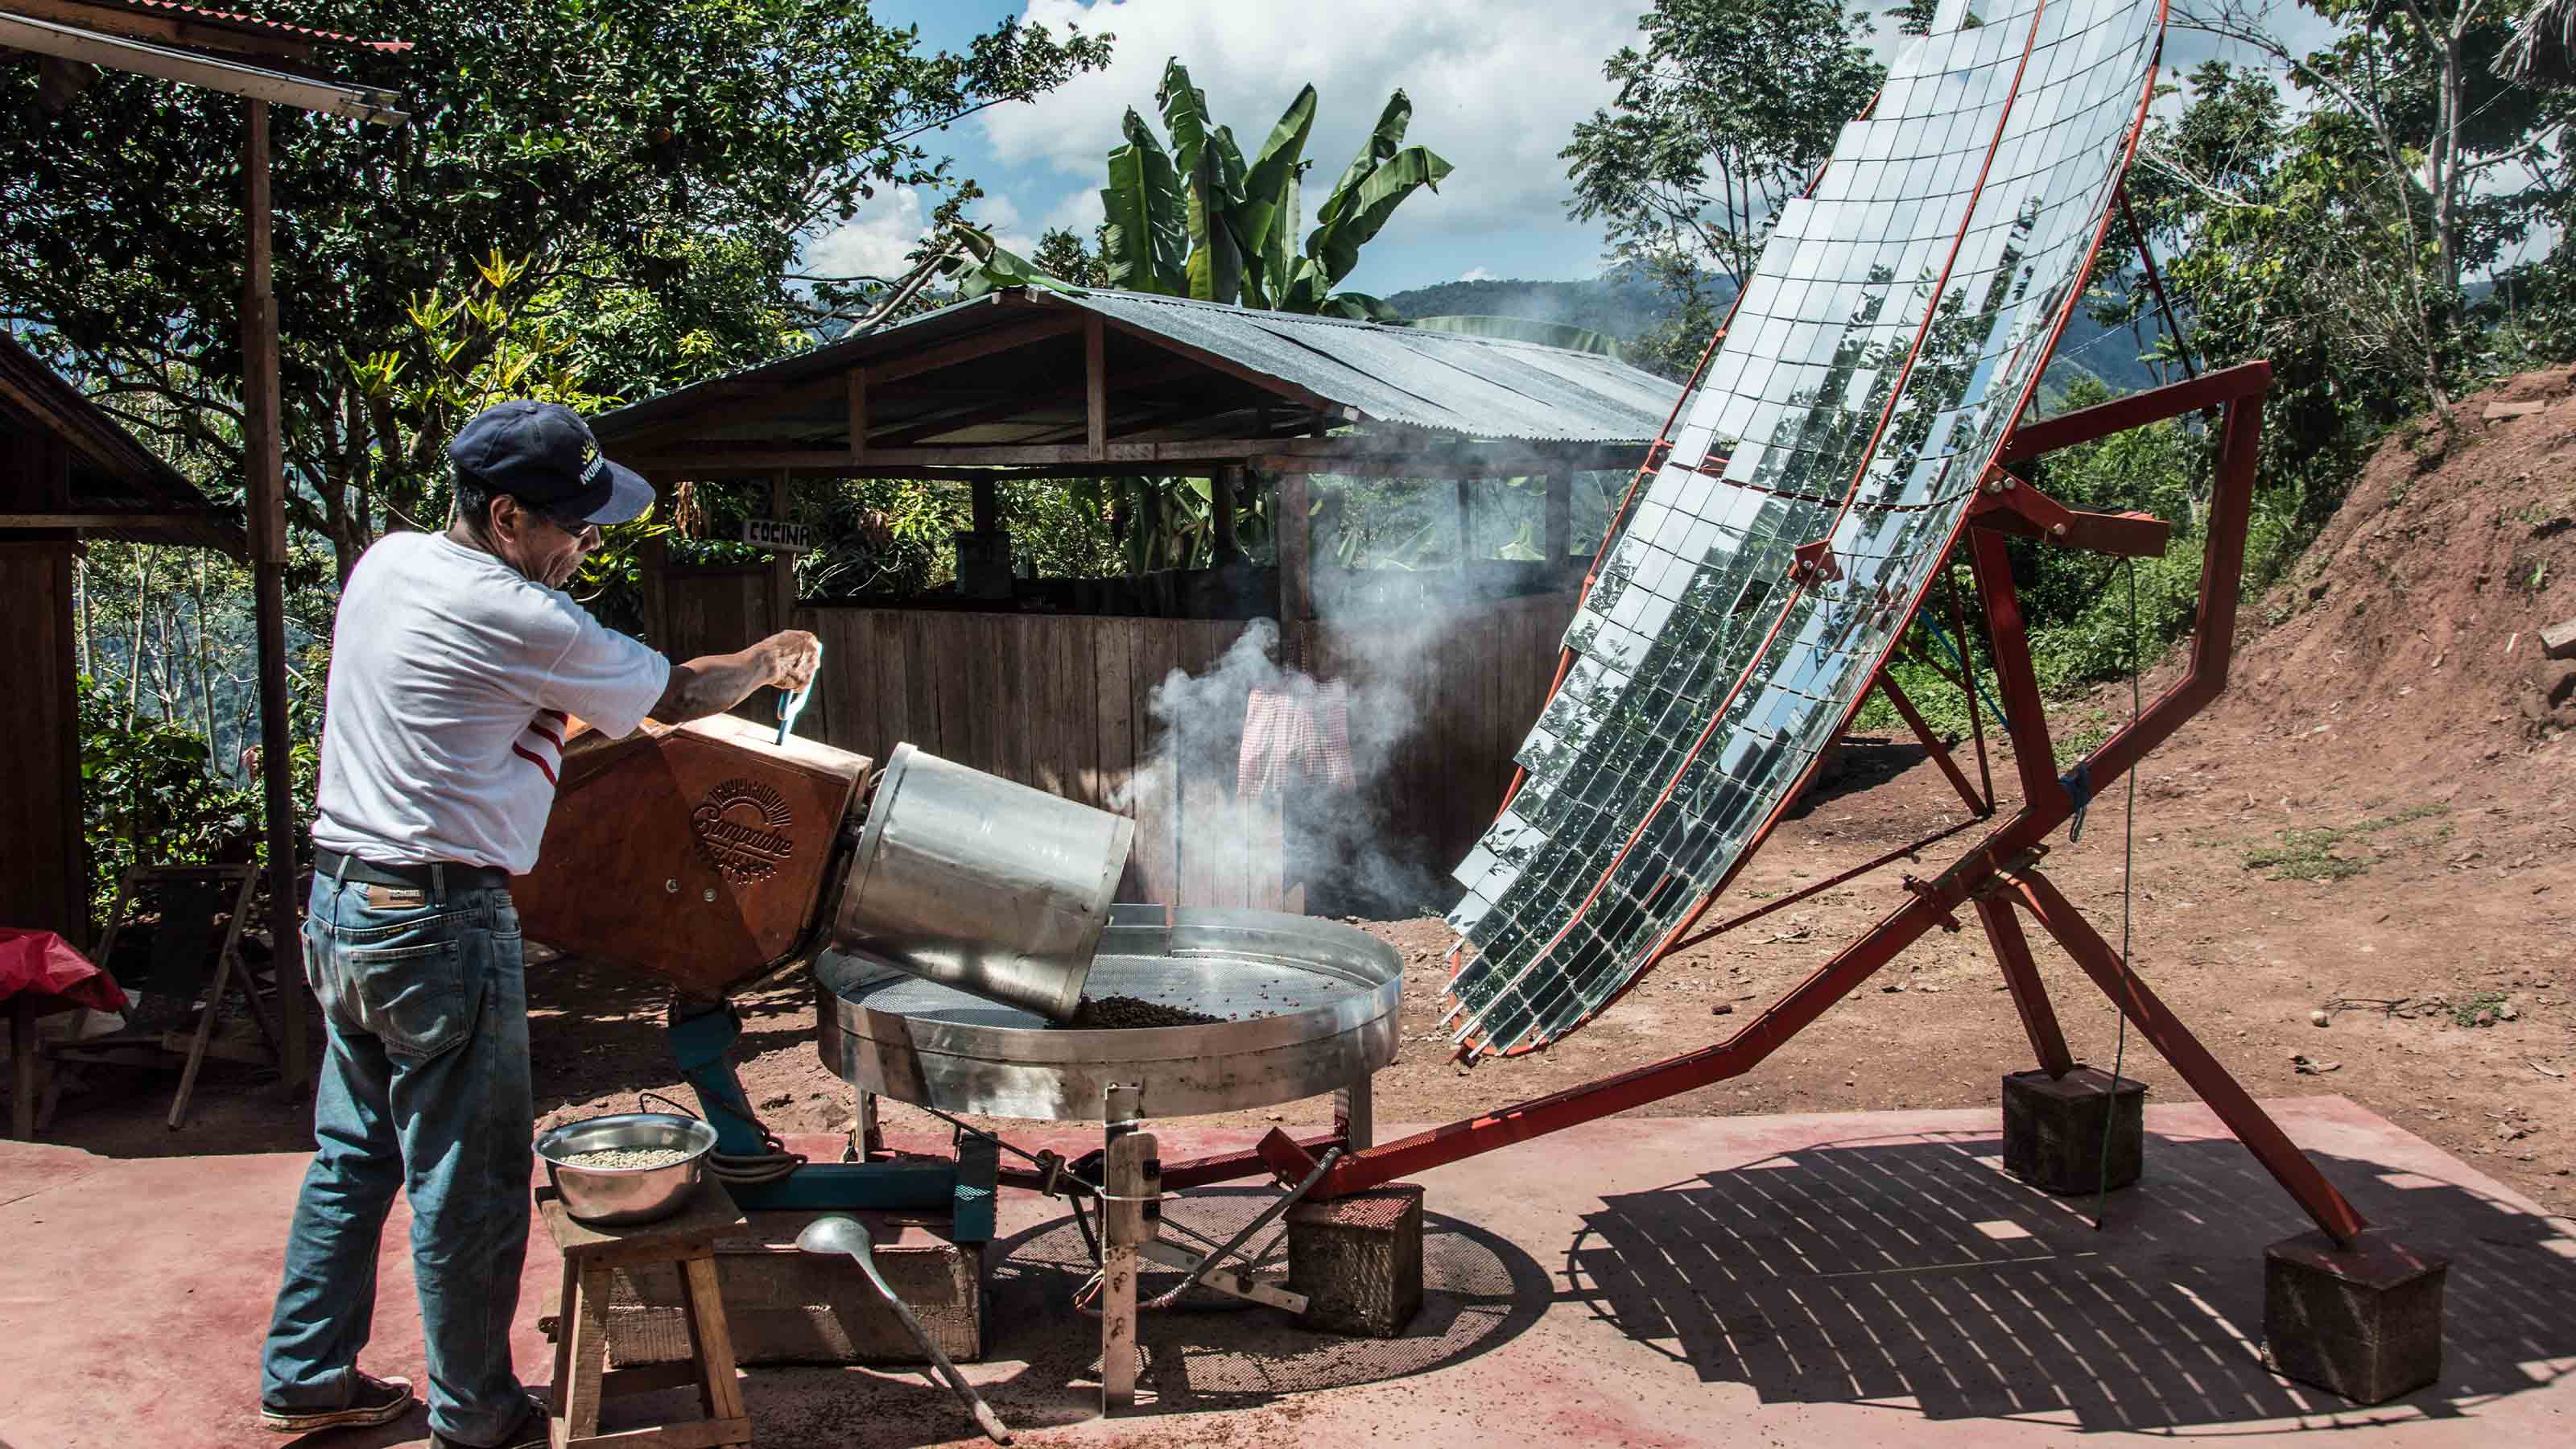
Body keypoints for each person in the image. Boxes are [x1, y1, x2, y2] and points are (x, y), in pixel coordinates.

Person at [258, 400, 820, 1448]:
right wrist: (767, 659)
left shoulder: (389, 563)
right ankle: (477, 1415)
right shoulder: (520, 615)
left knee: (352, 1153)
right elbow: (674, 694)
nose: (586, 543)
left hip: (341, 904)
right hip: (437, 920)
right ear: (507, 515)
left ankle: (304, 1372)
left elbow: (479, 715)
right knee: (468, 1182)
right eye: (573, 523)